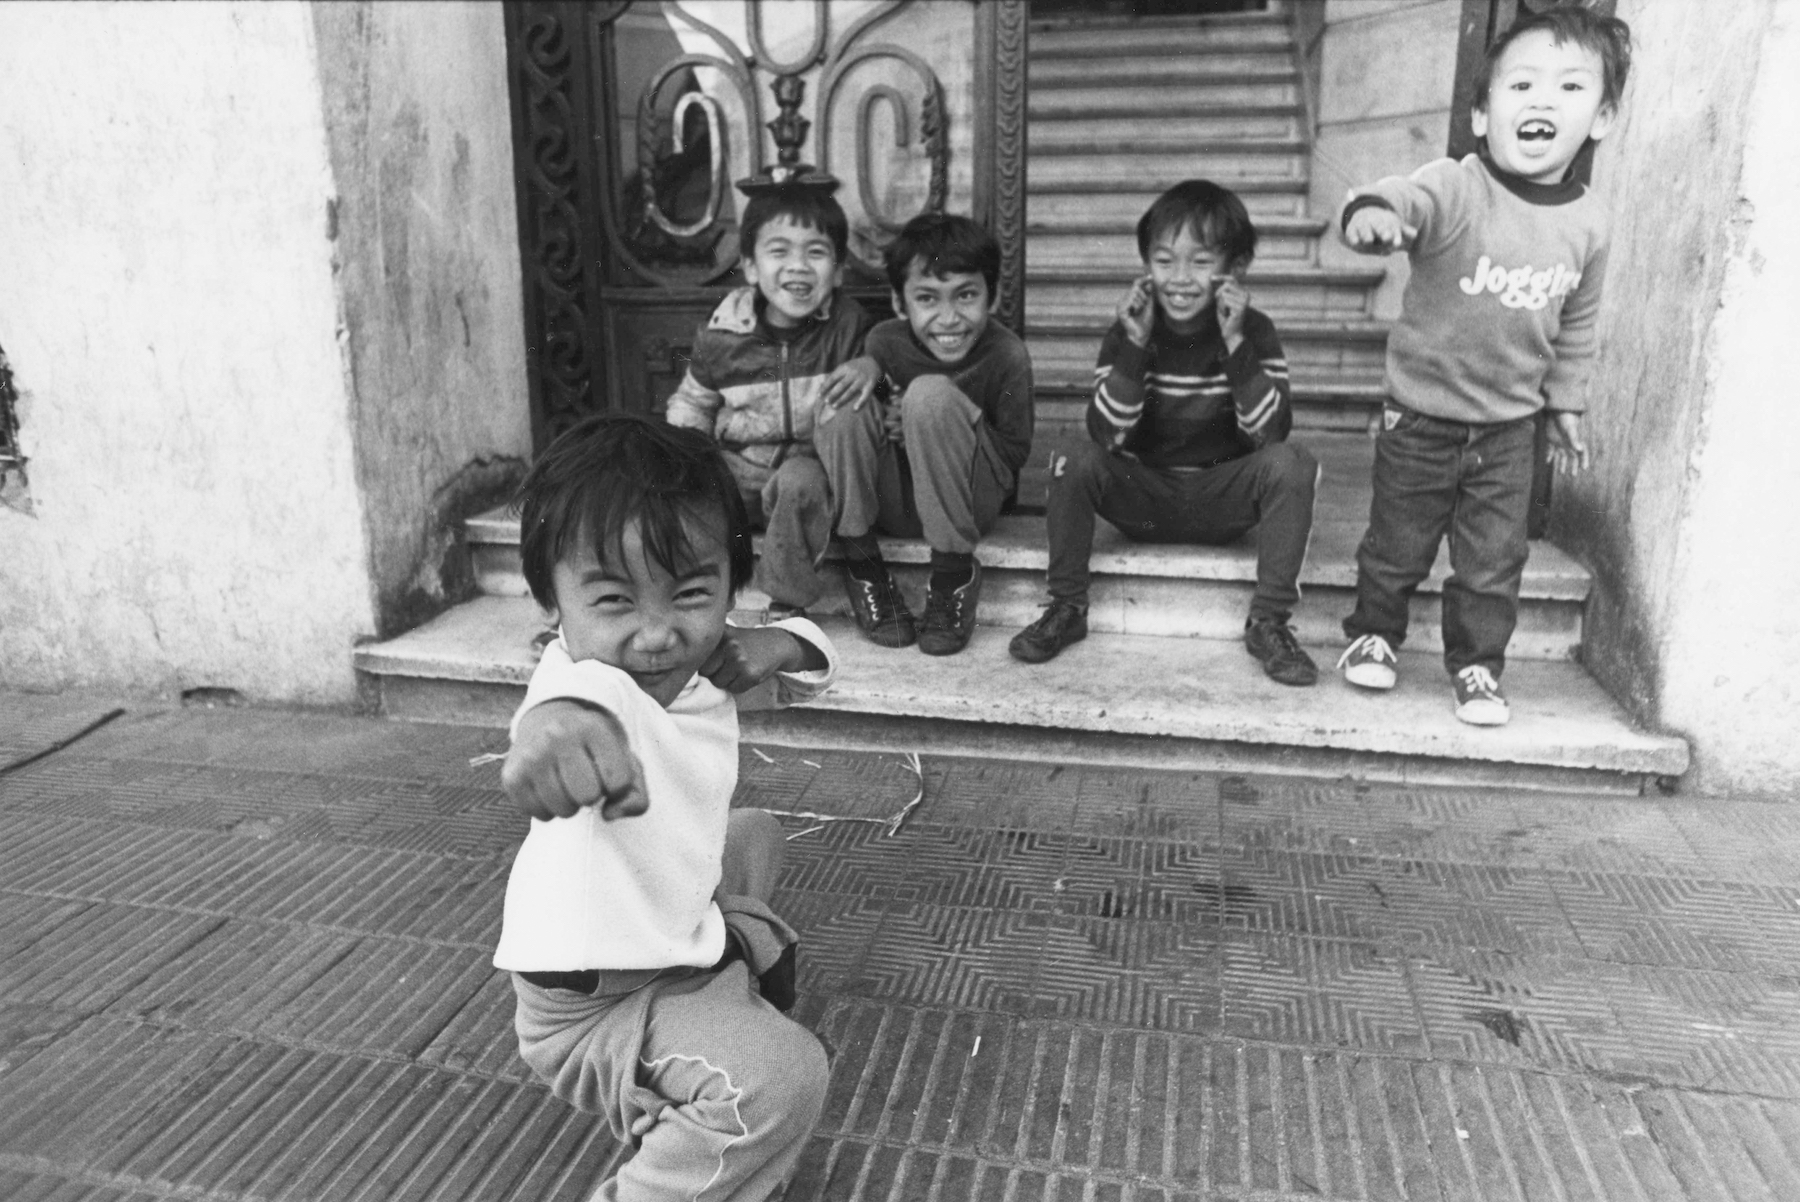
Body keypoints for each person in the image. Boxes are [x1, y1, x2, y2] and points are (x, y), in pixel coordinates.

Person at [496, 413, 839, 1201]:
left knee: (755, 833)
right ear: (553, 600)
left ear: (729, 584)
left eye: (690, 593)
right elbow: (558, 712)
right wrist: (555, 739)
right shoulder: (586, 683)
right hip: (597, 1005)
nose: (656, 635)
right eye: (614, 601)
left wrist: (779, 644)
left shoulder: (709, 661)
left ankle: (721, 964)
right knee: (783, 1079)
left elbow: (819, 660)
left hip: (663, 930)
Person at [1335, 6, 1631, 726]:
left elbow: (1578, 323)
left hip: (1507, 428)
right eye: (1521, 84)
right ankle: (1373, 634)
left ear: (1601, 118)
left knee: (1494, 561)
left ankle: (1476, 668)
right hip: (1420, 416)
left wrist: (1565, 403)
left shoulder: (1588, 223)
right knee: (1399, 543)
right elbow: (1403, 197)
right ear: (1481, 112)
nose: (1540, 101)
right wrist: (1375, 213)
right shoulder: (1457, 185)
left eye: (1568, 88)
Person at [1008, 179, 1320, 686]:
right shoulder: (1132, 327)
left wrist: (1236, 343)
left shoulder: (1254, 330)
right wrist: (1134, 347)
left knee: (1294, 463)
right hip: (1145, 501)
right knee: (1073, 455)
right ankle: (1066, 606)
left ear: (1235, 270)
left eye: (1200, 262)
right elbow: (1106, 435)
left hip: (1223, 502)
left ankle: (1269, 621)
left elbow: (1270, 435)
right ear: (1145, 267)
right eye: (1163, 260)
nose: (1179, 279)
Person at [814, 212, 1034, 655]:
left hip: (972, 502)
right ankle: (864, 566)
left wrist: (936, 420)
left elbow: (1012, 455)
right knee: (843, 401)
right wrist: (868, 369)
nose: (949, 318)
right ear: (900, 304)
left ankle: (953, 577)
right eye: (928, 299)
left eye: (966, 295)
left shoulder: (1007, 354)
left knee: (930, 395)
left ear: (991, 296)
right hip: (899, 501)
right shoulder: (885, 342)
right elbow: (868, 420)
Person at [663, 182, 879, 618]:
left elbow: (877, 383)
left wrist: (872, 364)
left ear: (838, 271)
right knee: (674, 499)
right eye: (779, 252)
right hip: (738, 465)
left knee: (800, 483)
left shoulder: (848, 326)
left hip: (807, 469)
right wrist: (687, 456)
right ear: (749, 267)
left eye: (816, 253)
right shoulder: (724, 333)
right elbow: (694, 403)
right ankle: (669, 597)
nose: (797, 267)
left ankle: (787, 601)